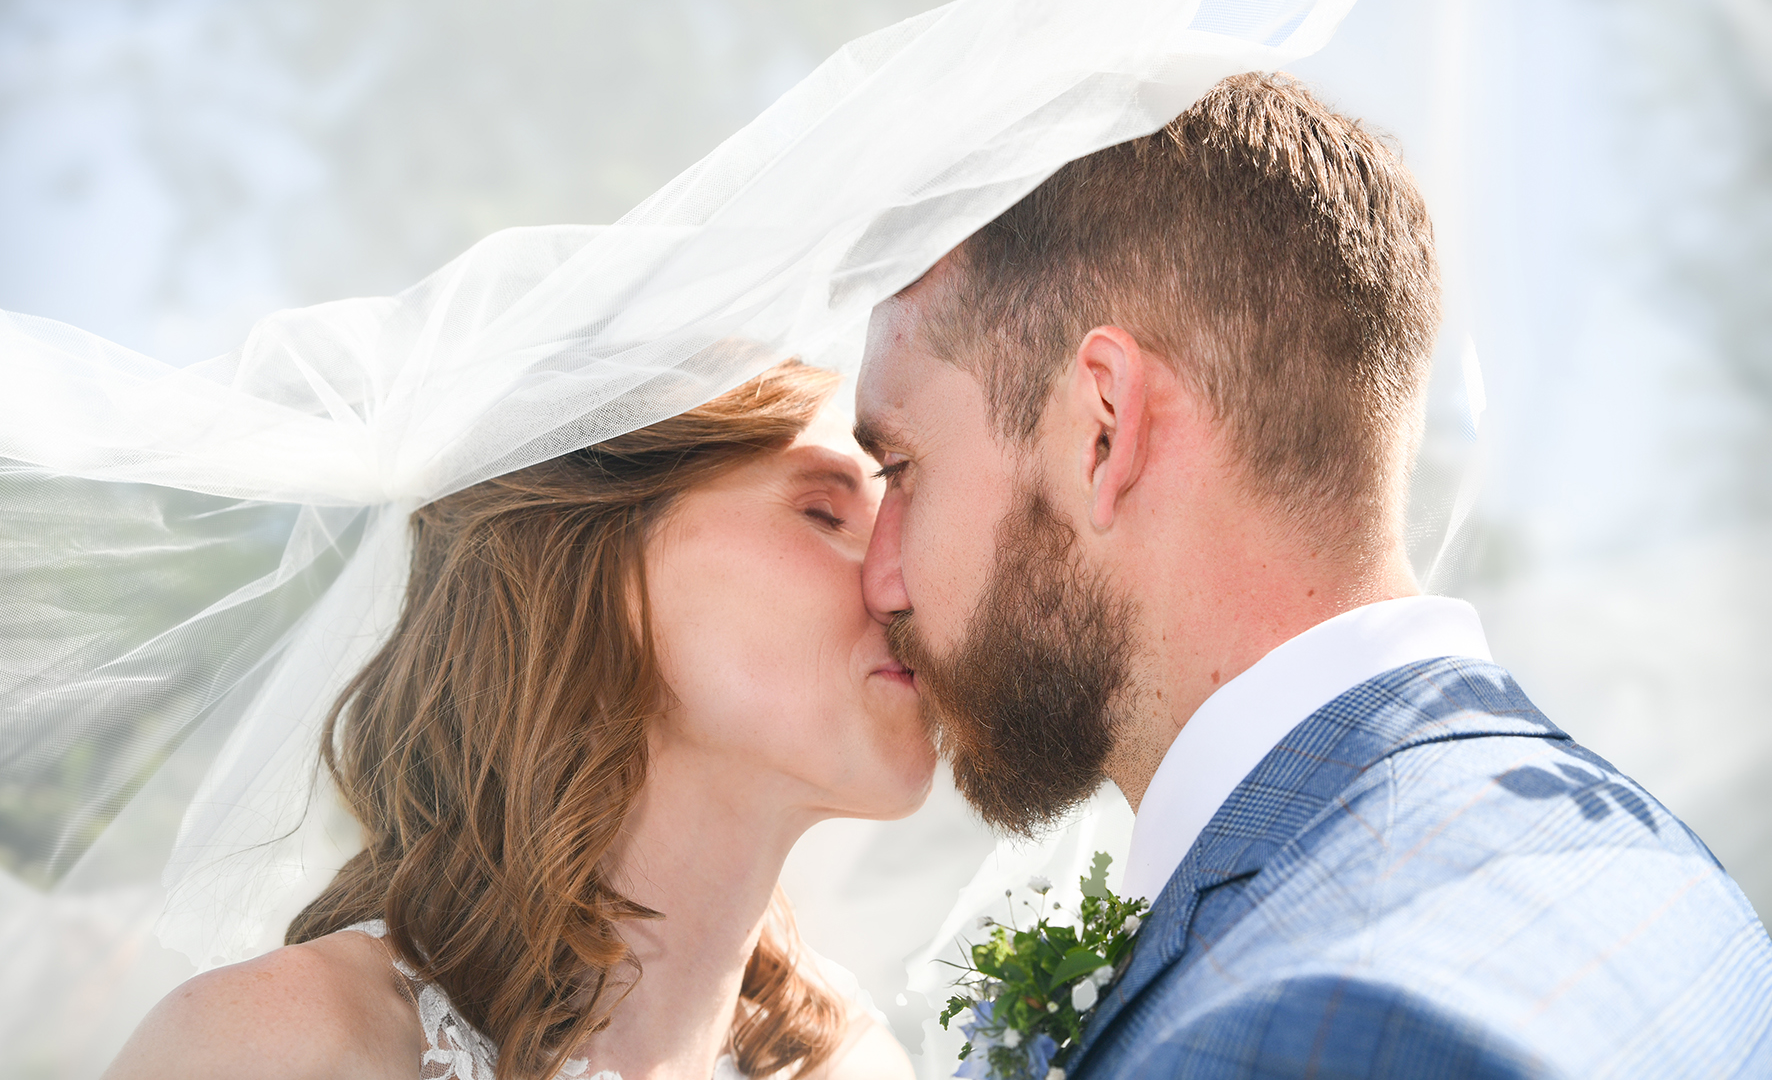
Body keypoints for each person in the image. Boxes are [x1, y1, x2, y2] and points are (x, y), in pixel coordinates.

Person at [855, 72, 1772, 1076]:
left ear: (1100, 431)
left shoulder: (1315, 1025)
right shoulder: (1652, 861)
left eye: (899, 468)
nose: (879, 576)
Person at [102, 361, 928, 1080]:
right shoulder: (278, 1049)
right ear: (596, 566)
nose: (906, 580)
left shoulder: (863, 1066)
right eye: (824, 512)